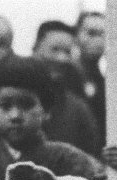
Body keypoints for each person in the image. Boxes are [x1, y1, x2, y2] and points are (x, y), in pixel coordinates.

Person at [31, 20, 101, 155]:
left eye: (67, 52)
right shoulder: (12, 98)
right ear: (35, 48)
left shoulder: (78, 109)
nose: (61, 58)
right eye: (55, 49)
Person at [76, 10, 106, 140]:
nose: (97, 40)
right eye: (91, 33)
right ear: (77, 36)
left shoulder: (108, 84)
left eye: (102, 35)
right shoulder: (71, 77)